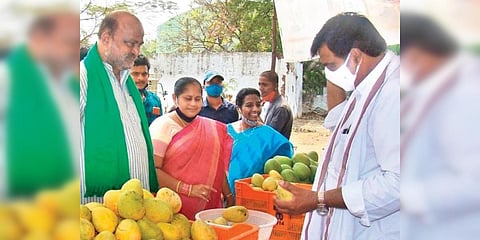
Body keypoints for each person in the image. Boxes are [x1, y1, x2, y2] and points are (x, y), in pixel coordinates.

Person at [274, 13, 400, 240]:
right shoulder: (365, 89)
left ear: (356, 55)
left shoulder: (394, 95)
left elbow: (398, 185)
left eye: (331, 66)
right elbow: (338, 124)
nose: (329, 74)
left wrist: (319, 199)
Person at [401, 13, 480, 240]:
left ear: (418, 53)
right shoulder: (432, 89)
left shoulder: (465, 95)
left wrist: (409, 196)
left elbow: (474, 181)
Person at [80, 11, 158, 203]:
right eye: (130, 43)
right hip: (95, 209)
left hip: (134, 208)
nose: (136, 52)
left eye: (139, 45)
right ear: (106, 39)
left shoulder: (128, 83)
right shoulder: (82, 77)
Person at [0, 10, 79, 197]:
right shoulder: (7, 79)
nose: (75, 51)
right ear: (39, 38)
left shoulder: (66, 85)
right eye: (69, 42)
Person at [149, 77, 233, 220]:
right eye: (188, 98)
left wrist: (229, 195)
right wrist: (188, 189)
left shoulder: (210, 127)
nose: (193, 104)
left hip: (208, 209)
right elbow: (153, 171)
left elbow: (216, 165)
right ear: (175, 98)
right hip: (172, 209)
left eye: (197, 99)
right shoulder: (163, 126)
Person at [226, 88, 293, 196]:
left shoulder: (270, 136)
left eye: (258, 104)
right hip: (226, 193)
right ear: (239, 109)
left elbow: (280, 168)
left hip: (255, 193)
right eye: (249, 105)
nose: (255, 109)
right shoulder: (226, 131)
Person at [258, 70, 293, 139]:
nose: (261, 88)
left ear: (275, 86)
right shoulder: (270, 103)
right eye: (259, 84)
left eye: (265, 85)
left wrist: (256, 115)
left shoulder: (281, 108)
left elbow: (269, 135)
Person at [131, 54, 163, 125]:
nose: (140, 78)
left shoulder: (155, 100)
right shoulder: (122, 100)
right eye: (135, 74)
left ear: (148, 75)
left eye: (144, 74)